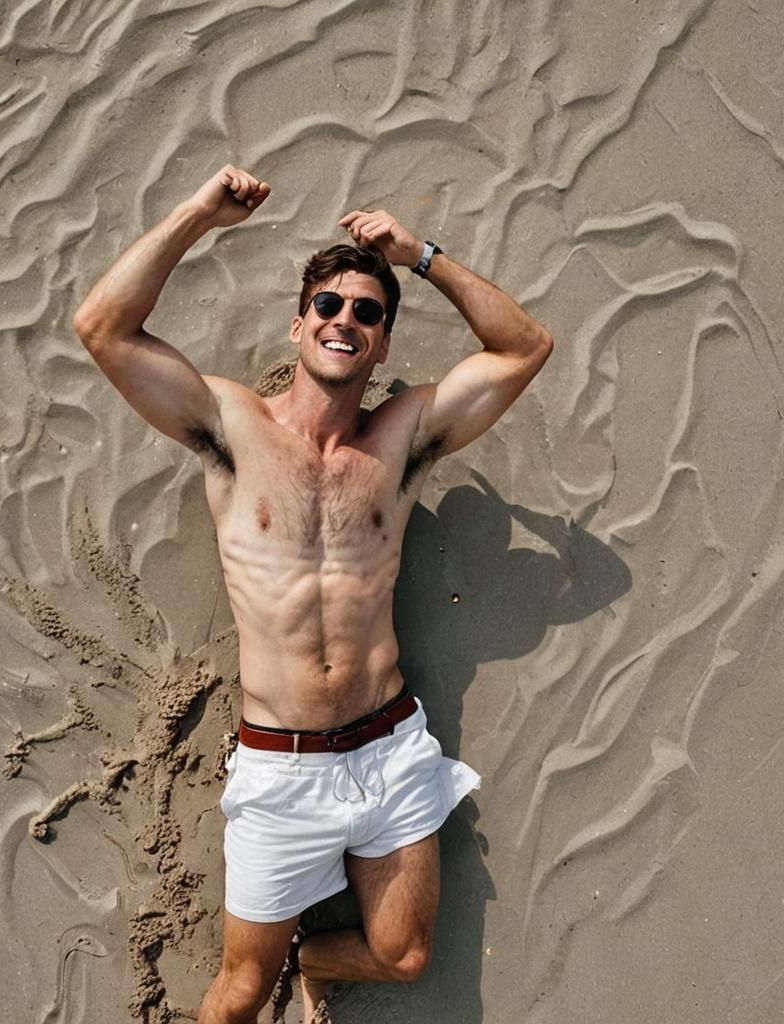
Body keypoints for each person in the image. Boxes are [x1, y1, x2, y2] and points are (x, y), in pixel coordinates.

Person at [72, 164, 553, 1024]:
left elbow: (524, 348)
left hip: (390, 750)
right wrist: (197, 216)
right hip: (281, 766)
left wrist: (420, 255)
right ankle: (286, 963)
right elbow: (103, 329)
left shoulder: (401, 442)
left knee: (403, 956)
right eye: (329, 307)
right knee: (237, 995)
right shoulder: (231, 428)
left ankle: (319, 960)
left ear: (381, 345)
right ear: (300, 325)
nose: (345, 321)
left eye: (367, 312)